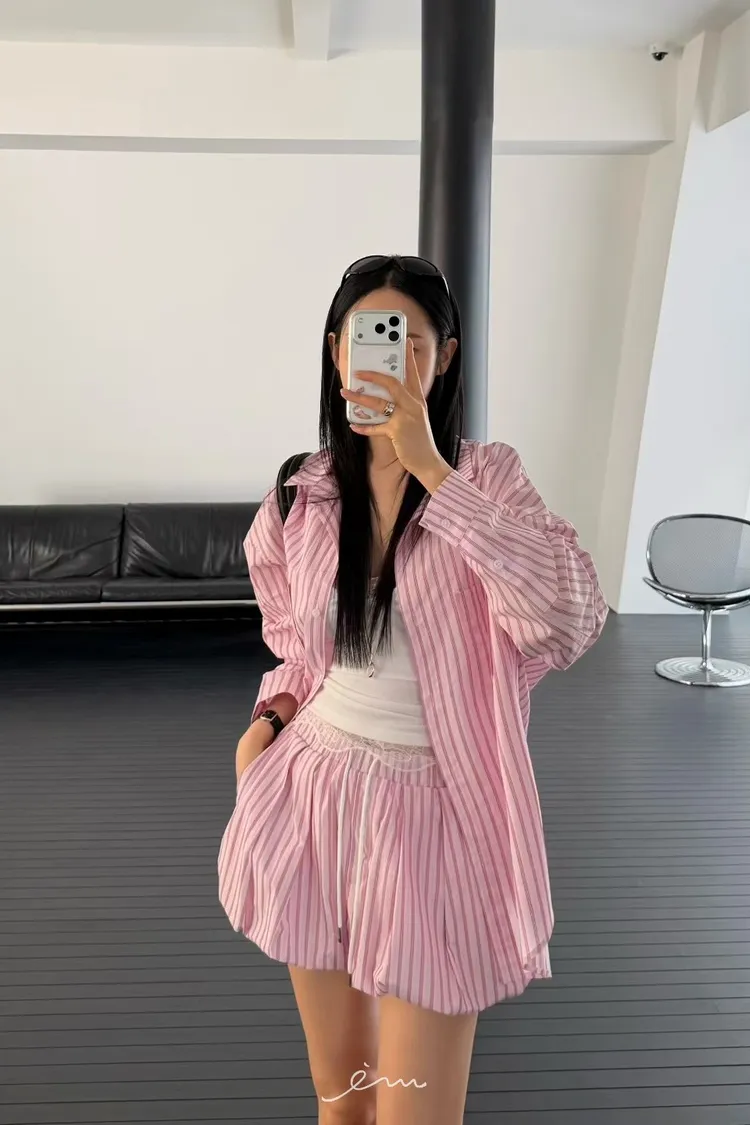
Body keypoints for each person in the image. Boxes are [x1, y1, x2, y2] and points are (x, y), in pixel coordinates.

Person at [218, 254, 608, 1125]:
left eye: (410, 346)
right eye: (365, 339)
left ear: (444, 359)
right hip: (313, 796)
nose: (386, 363)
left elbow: (569, 617)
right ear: (336, 351)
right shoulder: (300, 495)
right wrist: (269, 722)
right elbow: (296, 648)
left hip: (436, 816)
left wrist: (435, 473)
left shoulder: (488, 479)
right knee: (342, 1099)